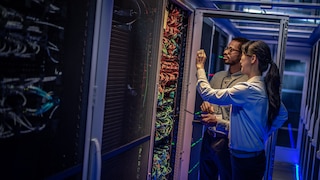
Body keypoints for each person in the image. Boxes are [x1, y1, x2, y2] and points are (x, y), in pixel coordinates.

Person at [196, 40, 288, 180]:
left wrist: (200, 67)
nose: (241, 59)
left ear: (253, 59)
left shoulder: (247, 89)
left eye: (243, 55)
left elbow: (207, 93)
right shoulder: (263, 85)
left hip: (245, 160)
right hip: (250, 158)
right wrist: (263, 132)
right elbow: (282, 114)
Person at [199, 37, 249, 180]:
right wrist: (206, 106)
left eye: (231, 49)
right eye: (226, 48)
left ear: (242, 55)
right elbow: (208, 100)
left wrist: (218, 122)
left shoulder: (246, 84)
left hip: (228, 144)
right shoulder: (218, 76)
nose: (225, 51)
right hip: (208, 138)